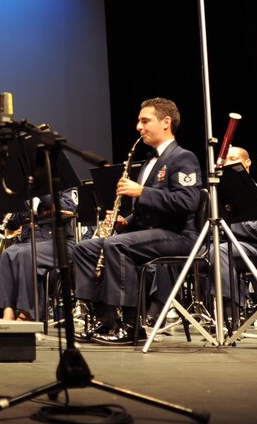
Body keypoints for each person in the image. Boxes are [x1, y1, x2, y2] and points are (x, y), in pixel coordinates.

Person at [72, 98, 202, 344]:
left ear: (166, 122)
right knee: (85, 248)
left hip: (179, 235)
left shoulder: (183, 157)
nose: (138, 127)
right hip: (151, 234)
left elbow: (187, 202)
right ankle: (106, 321)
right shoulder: (148, 162)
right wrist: (125, 222)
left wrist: (142, 191)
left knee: (117, 245)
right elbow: (147, 210)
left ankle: (133, 326)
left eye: (145, 121)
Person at [205, 146, 257, 320]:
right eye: (225, 160)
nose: (227, 163)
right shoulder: (217, 195)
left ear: (247, 162)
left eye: (233, 159)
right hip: (218, 244)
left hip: (253, 250)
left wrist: (228, 225)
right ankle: (160, 311)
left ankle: (230, 313)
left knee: (219, 252)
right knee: (183, 251)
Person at [0, 190, 77, 322]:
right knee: (6, 255)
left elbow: (68, 209)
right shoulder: (25, 187)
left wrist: (39, 188)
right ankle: (7, 311)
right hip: (28, 240)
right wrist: (14, 201)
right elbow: (14, 224)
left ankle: (28, 313)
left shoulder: (65, 183)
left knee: (26, 255)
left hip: (58, 241)